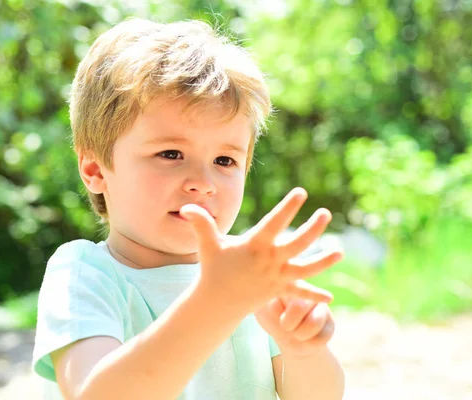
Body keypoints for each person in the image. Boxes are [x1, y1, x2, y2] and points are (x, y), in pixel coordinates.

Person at [32, 17, 345, 400]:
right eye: (170, 153)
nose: (203, 181)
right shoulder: (85, 274)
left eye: (225, 160)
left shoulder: (248, 271)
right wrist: (217, 301)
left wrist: (303, 349)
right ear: (96, 170)